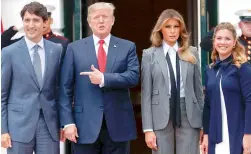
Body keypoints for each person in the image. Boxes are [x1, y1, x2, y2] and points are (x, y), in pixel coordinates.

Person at [59, 2, 139, 154]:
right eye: (96, 17)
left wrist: (104, 78)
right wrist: (67, 122)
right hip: (84, 126)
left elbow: (133, 77)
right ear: (89, 21)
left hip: (118, 125)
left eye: (105, 17)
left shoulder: (127, 47)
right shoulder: (74, 48)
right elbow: (65, 89)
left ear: (113, 20)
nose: (101, 21)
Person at [1, 2, 64, 154]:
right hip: (18, 127)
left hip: (49, 126)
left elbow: (60, 89)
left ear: (44, 23)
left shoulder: (56, 50)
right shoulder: (9, 52)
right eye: (27, 20)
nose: (31, 25)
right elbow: (2, 94)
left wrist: (64, 123)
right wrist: (3, 130)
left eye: (36, 20)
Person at [141, 9, 204, 154]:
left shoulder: (192, 52)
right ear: (160, 29)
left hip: (189, 112)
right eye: (167, 27)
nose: (172, 31)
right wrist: (148, 129)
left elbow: (198, 91)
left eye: (176, 26)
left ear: (181, 29)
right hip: (160, 113)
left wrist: (202, 125)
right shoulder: (149, 55)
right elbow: (146, 95)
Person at [201, 22, 251, 154]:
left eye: (227, 38)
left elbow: (250, 102)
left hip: (237, 132)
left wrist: (248, 135)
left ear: (234, 42)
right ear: (214, 41)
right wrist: (205, 135)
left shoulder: (243, 68)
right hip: (215, 134)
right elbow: (207, 105)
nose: (223, 42)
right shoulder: (210, 70)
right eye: (219, 38)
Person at [1, 4, 70, 59]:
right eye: (36, 20)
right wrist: (15, 29)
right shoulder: (24, 41)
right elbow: (2, 44)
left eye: (45, 20)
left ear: (51, 21)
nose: (42, 23)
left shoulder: (62, 42)